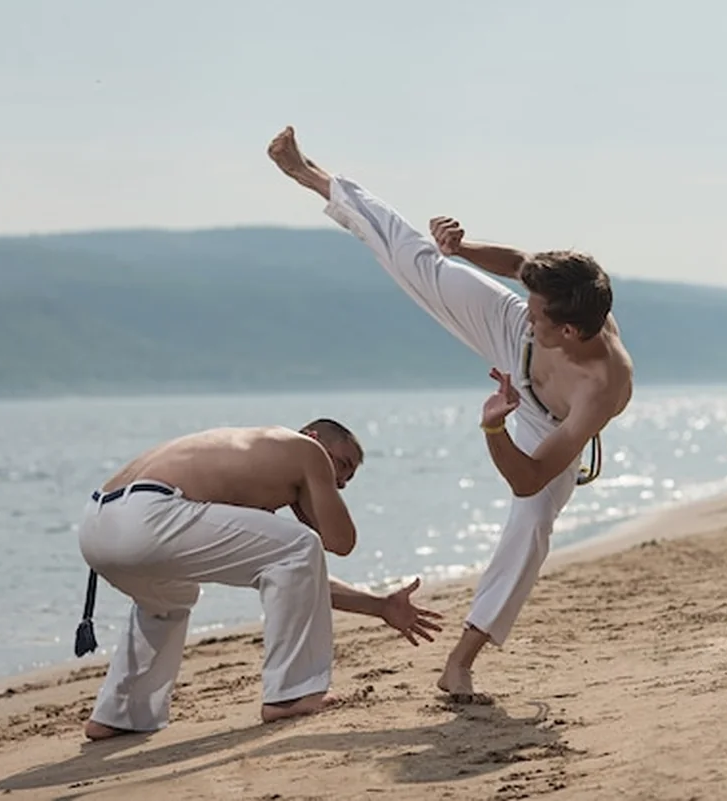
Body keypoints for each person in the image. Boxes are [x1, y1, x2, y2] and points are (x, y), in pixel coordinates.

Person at [267, 126, 634, 700]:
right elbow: (520, 266)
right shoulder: (542, 311)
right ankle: (311, 174)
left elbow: (529, 477)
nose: (526, 309)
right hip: (518, 351)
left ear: (569, 329)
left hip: (546, 422)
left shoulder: (599, 391)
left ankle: (460, 661)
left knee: (533, 523)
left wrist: (493, 424)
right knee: (422, 262)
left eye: (538, 311)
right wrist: (461, 250)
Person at [76, 418, 443, 739]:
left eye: (345, 482)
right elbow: (340, 542)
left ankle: (120, 714)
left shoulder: (252, 463)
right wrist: (315, 496)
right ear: (314, 436)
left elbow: (301, 577)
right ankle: (292, 693)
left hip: (97, 524)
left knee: (170, 600)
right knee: (300, 546)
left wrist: (379, 606)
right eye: (342, 465)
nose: (339, 482)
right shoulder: (304, 448)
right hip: (151, 512)